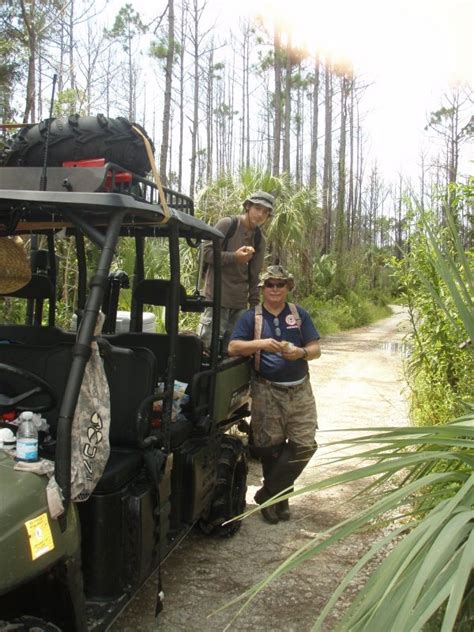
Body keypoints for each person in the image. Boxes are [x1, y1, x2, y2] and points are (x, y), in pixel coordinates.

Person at [228, 265, 321, 524]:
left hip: (300, 389)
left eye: (281, 284)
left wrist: (300, 353)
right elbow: (233, 347)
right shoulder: (252, 317)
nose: (276, 289)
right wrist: (260, 344)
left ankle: (268, 494)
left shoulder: (299, 314)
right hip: (266, 389)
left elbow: (315, 348)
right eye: (270, 285)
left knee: (304, 445)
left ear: (288, 287)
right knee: (271, 448)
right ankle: (280, 501)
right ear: (263, 289)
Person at [197, 191, 274, 349]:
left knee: (232, 351)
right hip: (216, 299)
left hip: (239, 304)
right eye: (258, 208)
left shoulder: (260, 240)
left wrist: (254, 308)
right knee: (207, 349)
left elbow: (254, 276)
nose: (260, 214)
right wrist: (234, 257)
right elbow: (205, 253)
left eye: (265, 212)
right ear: (247, 206)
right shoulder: (228, 224)